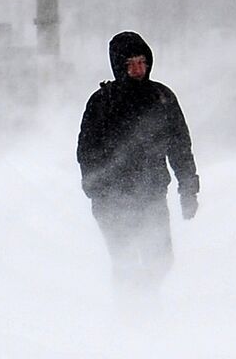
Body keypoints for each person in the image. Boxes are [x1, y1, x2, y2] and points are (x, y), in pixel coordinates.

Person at [76, 31, 199, 290]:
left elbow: (180, 146)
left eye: (142, 62)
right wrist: (95, 188)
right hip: (112, 201)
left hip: (152, 197)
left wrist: (188, 188)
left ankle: (147, 302)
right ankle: (131, 311)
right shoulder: (102, 103)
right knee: (126, 263)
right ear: (118, 65)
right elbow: (86, 150)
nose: (138, 69)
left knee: (160, 260)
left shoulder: (162, 98)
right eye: (130, 64)